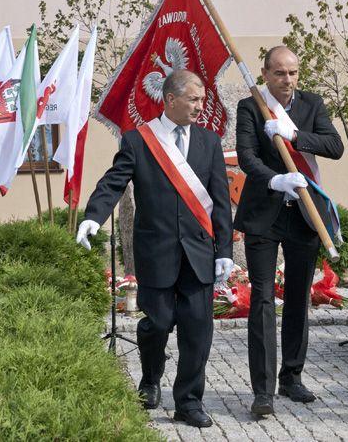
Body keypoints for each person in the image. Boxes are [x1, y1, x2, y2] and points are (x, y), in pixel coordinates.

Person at [76, 70, 233, 428]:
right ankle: (150, 378)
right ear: (171, 99)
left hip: (197, 254)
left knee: (197, 329)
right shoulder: (138, 141)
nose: (199, 106)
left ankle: (189, 402)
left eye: (201, 99)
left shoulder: (209, 142)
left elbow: (220, 202)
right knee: (157, 324)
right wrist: (93, 216)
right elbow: (113, 182)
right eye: (193, 99)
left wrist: (224, 249)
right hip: (156, 252)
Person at [234, 45, 344, 417]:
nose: (288, 80)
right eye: (280, 73)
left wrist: (296, 136)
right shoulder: (250, 105)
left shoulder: (312, 104)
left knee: (298, 296)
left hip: (304, 214)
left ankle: (292, 376)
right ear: (265, 74)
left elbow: (335, 146)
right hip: (264, 212)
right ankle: (262, 390)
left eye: (293, 73)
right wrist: (275, 179)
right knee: (263, 299)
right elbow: (246, 156)